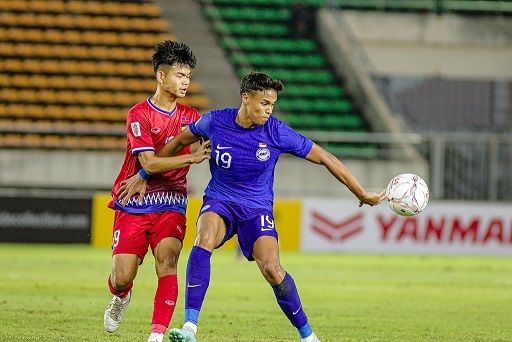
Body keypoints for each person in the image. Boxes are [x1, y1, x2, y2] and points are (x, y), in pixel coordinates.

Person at [117, 72, 386, 342]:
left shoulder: (277, 132)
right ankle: (189, 327)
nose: (269, 110)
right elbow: (176, 143)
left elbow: (325, 157)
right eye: (264, 103)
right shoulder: (215, 121)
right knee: (204, 238)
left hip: (256, 209)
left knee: (272, 269)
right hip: (220, 201)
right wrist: (143, 175)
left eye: (273, 104)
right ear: (246, 98)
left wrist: (361, 192)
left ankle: (308, 336)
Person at [103, 40, 211, 342]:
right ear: (161, 77)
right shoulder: (139, 114)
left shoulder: (192, 117)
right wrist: (190, 157)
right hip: (133, 201)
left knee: (168, 261)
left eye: (188, 76)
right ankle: (120, 296)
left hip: (171, 201)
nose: (185, 81)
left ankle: (156, 336)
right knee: (122, 276)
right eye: (179, 75)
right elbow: (149, 162)